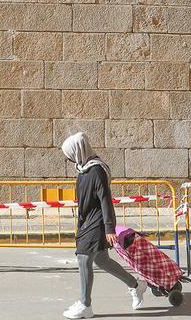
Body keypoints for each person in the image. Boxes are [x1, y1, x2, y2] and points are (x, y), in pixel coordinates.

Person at [60, 132, 147, 319]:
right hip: (87, 223)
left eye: (70, 155)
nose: (69, 159)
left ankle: (85, 304)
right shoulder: (83, 169)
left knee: (84, 259)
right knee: (101, 260)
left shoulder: (97, 170)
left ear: (78, 150)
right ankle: (136, 285)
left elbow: (105, 200)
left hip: (98, 222)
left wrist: (109, 227)